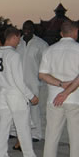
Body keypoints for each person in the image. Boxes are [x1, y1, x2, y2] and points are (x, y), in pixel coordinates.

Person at [38, 20, 79, 157]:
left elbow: (42, 75)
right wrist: (67, 92)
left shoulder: (49, 50)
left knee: (51, 136)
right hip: (75, 99)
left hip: (54, 98)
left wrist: (60, 86)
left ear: (61, 33)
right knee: (75, 139)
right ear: (75, 32)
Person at [0, 27, 41, 157]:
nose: (19, 41)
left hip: (2, 93)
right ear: (13, 37)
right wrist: (31, 96)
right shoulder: (13, 55)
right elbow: (19, 81)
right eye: (18, 38)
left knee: (3, 127)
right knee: (23, 127)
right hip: (15, 94)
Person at [12, 20, 49, 150]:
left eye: (29, 28)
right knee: (17, 107)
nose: (27, 30)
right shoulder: (17, 42)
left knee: (34, 108)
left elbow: (47, 63)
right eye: (24, 28)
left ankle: (36, 134)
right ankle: (15, 132)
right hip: (18, 81)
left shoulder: (41, 44)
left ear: (33, 29)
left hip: (34, 81)